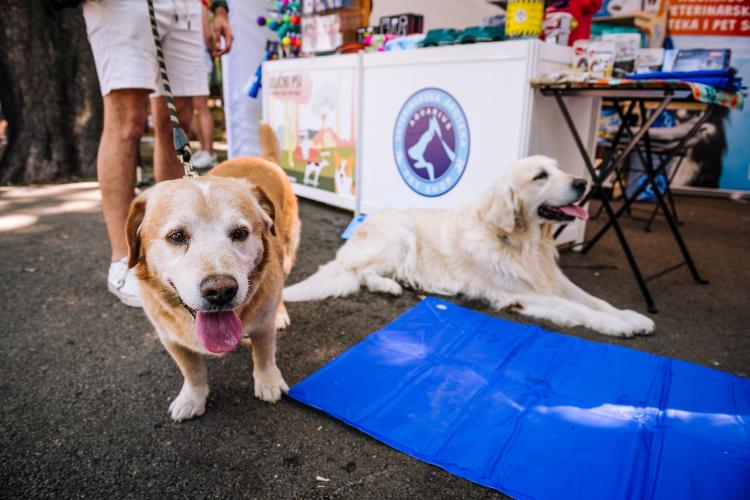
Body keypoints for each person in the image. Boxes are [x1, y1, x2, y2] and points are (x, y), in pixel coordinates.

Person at [82, 0, 233, 307]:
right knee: (128, 119)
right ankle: (123, 259)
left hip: (188, 7)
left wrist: (218, 9)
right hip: (122, 5)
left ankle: (175, 250)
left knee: (178, 117)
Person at [191, 5, 218, 170]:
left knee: (200, 107)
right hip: (195, 60)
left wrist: (212, 50)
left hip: (198, 61)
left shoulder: (200, 5)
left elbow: (208, 35)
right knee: (194, 108)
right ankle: (204, 149)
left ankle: (208, 151)